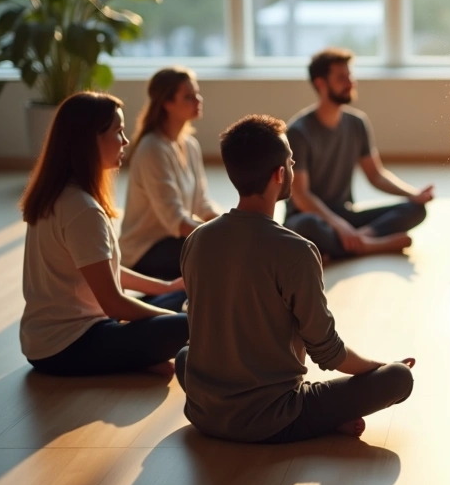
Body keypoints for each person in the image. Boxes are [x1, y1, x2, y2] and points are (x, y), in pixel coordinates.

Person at [176, 115, 415, 443]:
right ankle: (323, 419)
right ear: (279, 175)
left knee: (185, 357)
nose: (293, 163)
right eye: (290, 160)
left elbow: (200, 326)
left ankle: (324, 417)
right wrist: (382, 365)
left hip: (204, 412)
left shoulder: (198, 238)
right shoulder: (296, 250)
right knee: (398, 378)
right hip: (270, 418)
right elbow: (329, 353)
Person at [19, 92, 188, 377]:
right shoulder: (81, 209)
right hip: (67, 346)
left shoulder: (62, 195)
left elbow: (103, 269)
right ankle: (137, 360)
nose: (125, 142)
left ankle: (138, 358)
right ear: (89, 140)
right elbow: (113, 303)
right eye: (118, 132)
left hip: (52, 340)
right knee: (189, 324)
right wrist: (177, 320)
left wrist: (168, 286)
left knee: (183, 295)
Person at [285, 48, 432, 259]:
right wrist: (338, 225)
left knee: (416, 209)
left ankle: (357, 241)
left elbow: (376, 175)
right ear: (320, 83)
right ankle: (370, 246)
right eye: (341, 78)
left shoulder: (357, 123)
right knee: (306, 227)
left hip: (344, 214)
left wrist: (413, 194)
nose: (351, 82)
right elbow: (301, 196)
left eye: (350, 75)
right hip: (308, 217)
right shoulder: (298, 132)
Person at [120, 67, 221, 280]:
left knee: (223, 250)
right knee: (214, 255)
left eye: (197, 93)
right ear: (167, 103)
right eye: (189, 96)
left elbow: (201, 203)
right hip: (144, 250)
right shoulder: (152, 148)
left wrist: (229, 226)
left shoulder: (190, 145)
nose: (198, 100)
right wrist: (220, 238)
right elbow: (175, 220)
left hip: (174, 242)